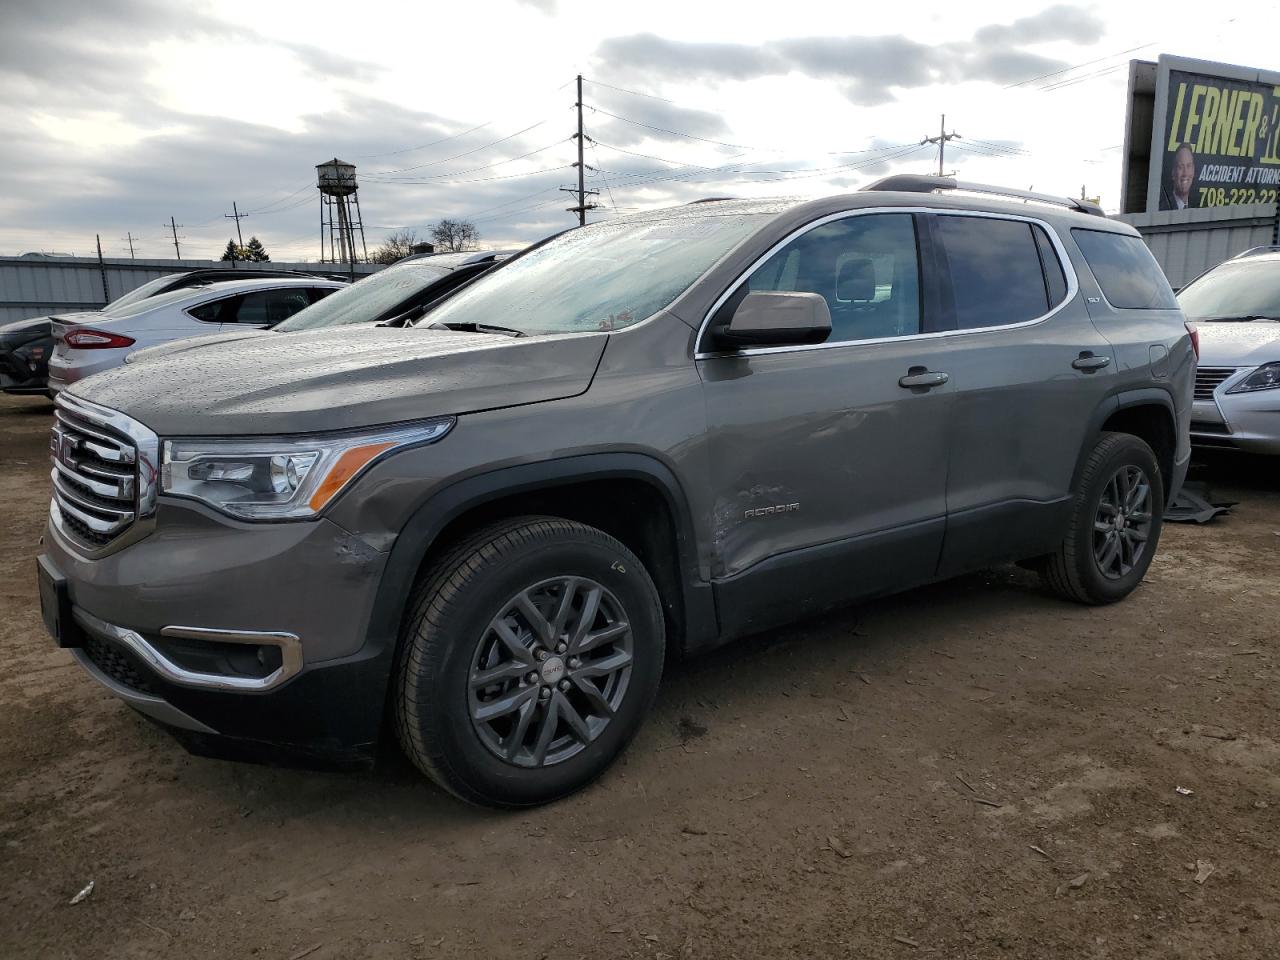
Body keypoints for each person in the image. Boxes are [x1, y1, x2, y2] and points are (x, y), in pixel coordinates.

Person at [1159, 143, 1196, 210]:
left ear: (1193, 170)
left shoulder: (1195, 208)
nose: (1185, 173)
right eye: (1180, 167)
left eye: (1188, 166)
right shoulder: (1162, 209)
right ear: (1173, 173)